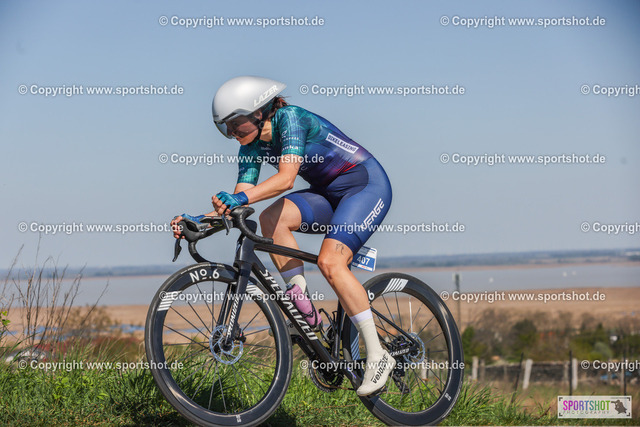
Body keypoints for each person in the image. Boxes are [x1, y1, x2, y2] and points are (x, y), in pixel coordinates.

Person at [171, 76, 394, 396]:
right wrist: (200, 221)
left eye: (236, 125)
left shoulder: (290, 119)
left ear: (258, 111)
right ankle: (303, 304)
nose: (233, 134)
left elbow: (286, 179)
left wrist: (239, 199)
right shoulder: (251, 147)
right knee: (270, 218)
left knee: (331, 263)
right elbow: (238, 202)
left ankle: (378, 354)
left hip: (365, 187)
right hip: (328, 194)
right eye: (226, 129)